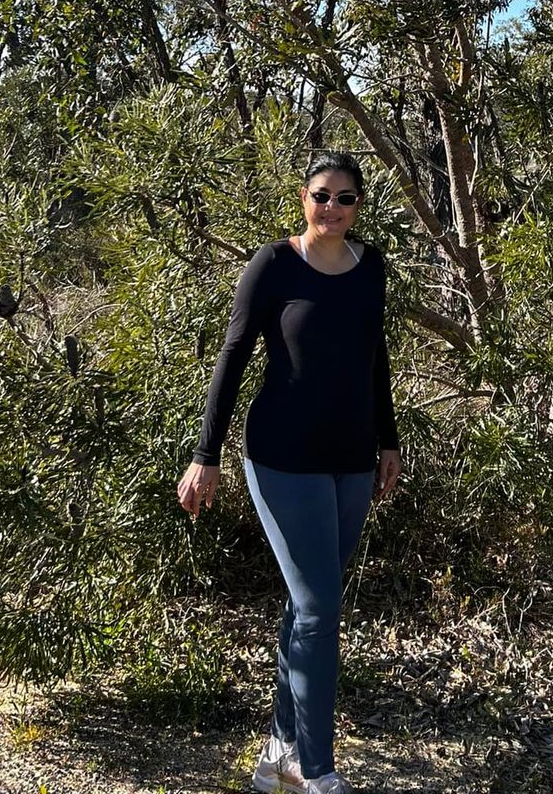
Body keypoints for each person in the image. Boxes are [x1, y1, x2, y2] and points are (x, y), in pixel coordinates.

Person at [176, 149, 402, 794]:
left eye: (346, 198)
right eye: (322, 196)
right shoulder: (273, 264)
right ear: (303, 199)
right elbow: (232, 356)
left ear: (360, 206)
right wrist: (205, 455)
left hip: (351, 458)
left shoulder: (370, 266)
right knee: (320, 608)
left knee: (308, 611)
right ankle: (316, 766)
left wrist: (388, 442)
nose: (332, 208)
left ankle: (276, 757)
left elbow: (373, 358)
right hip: (282, 455)